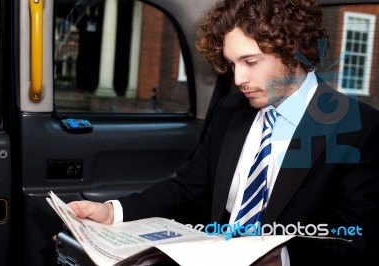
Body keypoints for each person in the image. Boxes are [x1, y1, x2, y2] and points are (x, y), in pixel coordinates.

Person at [60, 0, 379, 265]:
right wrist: (113, 211)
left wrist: (281, 257)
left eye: (251, 61)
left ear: (293, 51)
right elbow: (188, 188)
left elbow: (355, 238)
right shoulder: (231, 111)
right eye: (232, 63)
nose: (239, 78)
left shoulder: (357, 127)